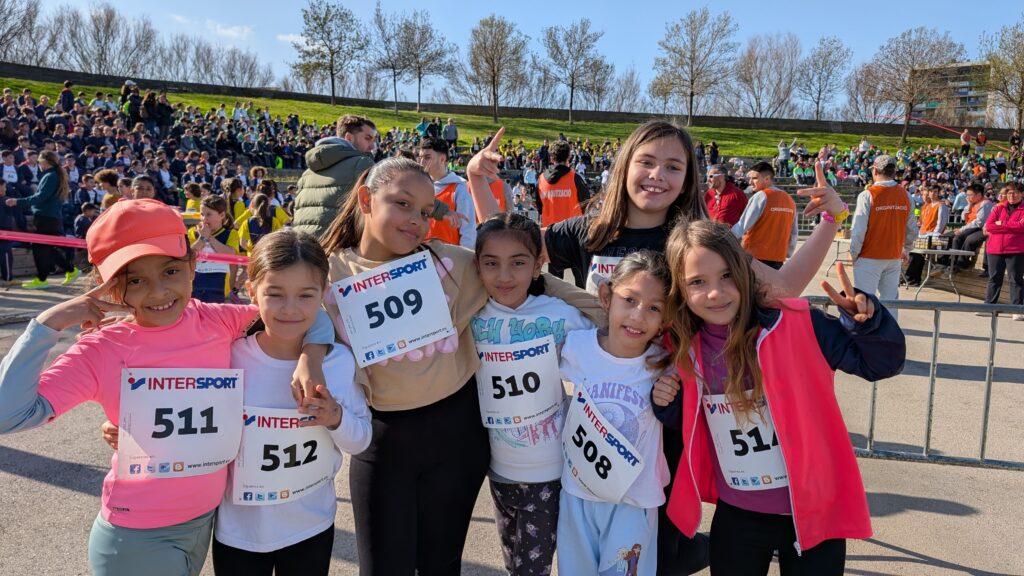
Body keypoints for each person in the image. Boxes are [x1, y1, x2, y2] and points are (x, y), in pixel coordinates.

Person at [501, 120, 845, 574]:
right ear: (625, 166)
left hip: (669, 415)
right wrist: (481, 184)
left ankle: (687, 551)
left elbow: (781, 287)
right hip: (602, 418)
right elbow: (512, 253)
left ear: (688, 178)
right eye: (646, 162)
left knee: (658, 553)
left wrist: (830, 220)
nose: (657, 175)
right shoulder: (587, 231)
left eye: (673, 166)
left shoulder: (696, 241)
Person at [0, 198, 332, 576]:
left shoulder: (216, 321)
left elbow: (303, 315)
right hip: (138, 536)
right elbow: (8, 414)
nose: (158, 292)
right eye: (135, 280)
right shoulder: (101, 349)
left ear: (192, 265)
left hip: (204, 525)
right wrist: (46, 325)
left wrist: (311, 357)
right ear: (109, 286)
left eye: (170, 271)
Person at [319, 157, 601, 575]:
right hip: (384, 441)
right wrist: (309, 358)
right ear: (365, 199)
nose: (415, 220)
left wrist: (619, 315)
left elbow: (529, 277)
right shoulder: (328, 272)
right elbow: (293, 319)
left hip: (457, 437)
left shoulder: (451, 263)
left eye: (425, 212)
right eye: (402, 204)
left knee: (441, 566)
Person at [654, 219, 906, 575]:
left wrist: (868, 324)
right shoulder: (681, 345)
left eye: (726, 275)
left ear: (745, 271)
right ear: (680, 289)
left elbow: (881, 364)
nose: (715, 292)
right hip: (738, 514)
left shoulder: (800, 323)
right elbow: (687, 420)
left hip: (813, 514)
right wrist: (665, 402)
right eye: (698, 282)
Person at [211, 229, 372, 575]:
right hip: (238, 531)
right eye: (275, 294)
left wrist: (335, 417)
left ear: (324, 293)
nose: (290, 309)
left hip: (310, 526)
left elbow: (361, 439)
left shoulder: (338, 363)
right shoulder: (228, 357)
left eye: (305, 295)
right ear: (251, 290)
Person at [471, 212, 596, 575]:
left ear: (538, 265)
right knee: (514, 562)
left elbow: (604, 352)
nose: (504, 276)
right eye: (491, 263)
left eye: (518, 263)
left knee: (530, 569)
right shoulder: (471, 316)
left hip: (549, 468)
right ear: (476, 266)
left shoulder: (562, 315)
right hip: (498, 468)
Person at [556, 251, 672, 576]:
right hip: (579, 494)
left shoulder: (665, 363)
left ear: (666, 319)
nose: (638, 316)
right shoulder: (577, 347)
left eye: (653, 308)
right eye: (629, 300)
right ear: (607, 297)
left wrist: (670, 396)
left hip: (634, 501)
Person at [4, 149, 81, 288]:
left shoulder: (50, 176)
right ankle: (69, 271)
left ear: (45, 162)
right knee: (45, 247)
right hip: (50, 216)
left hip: (46, 217)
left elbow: (40, 197)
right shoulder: (54, 175)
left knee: (40, 247)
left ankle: (43, 279)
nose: (39, 164)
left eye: (39, 161)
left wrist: (17, 201)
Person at [291, 115, 376, 237]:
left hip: (305, 245)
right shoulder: (362, 163)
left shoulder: (307, 173)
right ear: (349, 138)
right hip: (339, 245)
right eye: (368, 138)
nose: (372, 146)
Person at [849, 155, 917, 308]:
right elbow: (912, 229)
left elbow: (859, 230)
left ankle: (868, 325)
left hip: (869, 256)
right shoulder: (906, 195)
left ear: (875, 171)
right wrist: (906, 249)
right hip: (893, 256)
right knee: (890, 302)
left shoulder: (867, 195)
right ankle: (889, 325)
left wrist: (853, 253)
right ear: (894, 172)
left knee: (865, 301)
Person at [732, 161, 798, 270]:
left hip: (754, 257)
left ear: (767, 179)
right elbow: (794, 232)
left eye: (754, 178)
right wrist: (788, 252)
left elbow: (742, 225)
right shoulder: (789, 199)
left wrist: (723, 241)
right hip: (778, 258)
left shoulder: (761, 196)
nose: (750, 182)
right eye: (750, 178)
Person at [418, 136, 476, 248]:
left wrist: (464, 256)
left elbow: (468, 231)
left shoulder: (458, 188)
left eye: (427, 157)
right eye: (420, 157)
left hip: (448, 255)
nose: (421, 162)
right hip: (420, 253)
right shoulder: (418, 187)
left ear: (442, 159)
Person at [187, 195, 240, 303]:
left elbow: (230, 255)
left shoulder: (231, 234)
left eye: (209, 214)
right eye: (202, 214)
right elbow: (189, 255)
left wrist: (210, 238)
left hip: (219, 288)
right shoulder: (193, 232)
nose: (204, 218)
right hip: (196, 286)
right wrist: (202, 238)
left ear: (222, 215)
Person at [983, 182, 1024, 319]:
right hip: (995, 248)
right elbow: (989, 226)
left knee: (1015, 279)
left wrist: (1001, 224)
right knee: (994, 278)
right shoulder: (998, 208)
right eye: (1009, 192)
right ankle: (988, 306)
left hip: (1016, 249)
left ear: (1022, 194)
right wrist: (1013, 226)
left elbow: (1022, 227)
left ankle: (1017, 309)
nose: (1012, 195)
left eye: (1015, 192)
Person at [532, 140, 590, 229]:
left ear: (551, 158)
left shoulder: (541, 179)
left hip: (548, 232)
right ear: (569, 157)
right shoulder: (576, 178)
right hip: (572, 231)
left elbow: (539, 208)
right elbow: (586, 206)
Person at [938, 182, 993, 272]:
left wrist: (962, 229)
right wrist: (969, 205)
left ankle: (957, 263)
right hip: (969, 226)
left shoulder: (985, 204)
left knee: (958, 238)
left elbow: (979, 223)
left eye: (970, 195)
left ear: (979, 195)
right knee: (947, 236)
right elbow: (963, 217)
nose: (968, 197)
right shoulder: (973, 203)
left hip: (979, 228)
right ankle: (944, 261)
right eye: (967, 195)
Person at [905, 185, 951, 286]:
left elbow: (941, 223)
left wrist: (934, 236)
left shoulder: (941, 205)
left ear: (938, 193)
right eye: (931, 191)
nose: (932, 194)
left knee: (918, 254)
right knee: (914, 253)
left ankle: (913, 278)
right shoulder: (928, 206)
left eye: (935, 192)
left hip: (932, 236)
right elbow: (923, 223)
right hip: (923, 235)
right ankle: (910, 277)